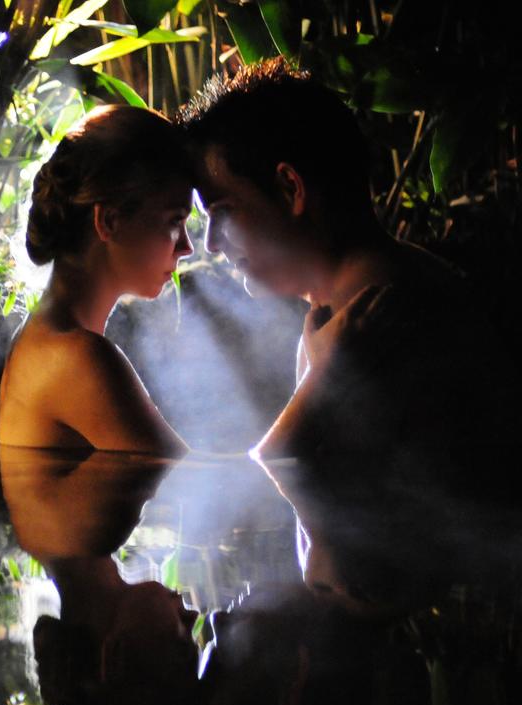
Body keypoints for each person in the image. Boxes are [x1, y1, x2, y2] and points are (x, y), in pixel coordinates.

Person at [178, 59, 509, 468]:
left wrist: (321, 384)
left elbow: (293, 486)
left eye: (222, 212)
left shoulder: (374, 318)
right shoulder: (370, 297)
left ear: (289, 189)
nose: (210, 244)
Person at [0, 106, 193, 455]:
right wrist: (317, 378)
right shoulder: (77, 357)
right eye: (174, 222)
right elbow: (196, 480)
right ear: (110, 221)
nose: (186, 247)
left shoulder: (43, 339)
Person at [0, 446, 204, 705]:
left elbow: (169, 446)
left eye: (181, 641)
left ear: (116, 654)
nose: (192, 615)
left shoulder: (95, 518)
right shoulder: (47, 541)